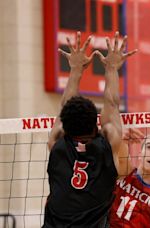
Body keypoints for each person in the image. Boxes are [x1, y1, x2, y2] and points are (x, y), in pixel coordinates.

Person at [44, 31, 138, 227]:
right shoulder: (107, 143)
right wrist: (112, 68)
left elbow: (65, 105)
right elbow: (111, 103)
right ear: (96, 124)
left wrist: (75, 69)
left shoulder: (57, 145)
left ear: (65, 126)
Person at [107, 129, 150, 228]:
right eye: (149, 147)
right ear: (140, 154)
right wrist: (122, 138)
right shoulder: (126, 172)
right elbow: (121, 151)